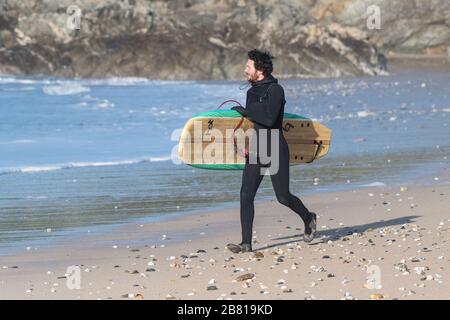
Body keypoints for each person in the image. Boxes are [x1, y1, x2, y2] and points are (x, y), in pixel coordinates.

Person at [226, 49, 317, 253]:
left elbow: (269, 119)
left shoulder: (276, 90)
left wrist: (247, 112)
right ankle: (246, 243)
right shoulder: (251, 92)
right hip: (258, 148)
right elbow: (255, 122)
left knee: (283, 196)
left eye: (248, 66)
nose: (245, 69)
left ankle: (308, 217)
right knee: (246, 194)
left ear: (259, 69)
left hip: (275, 147)